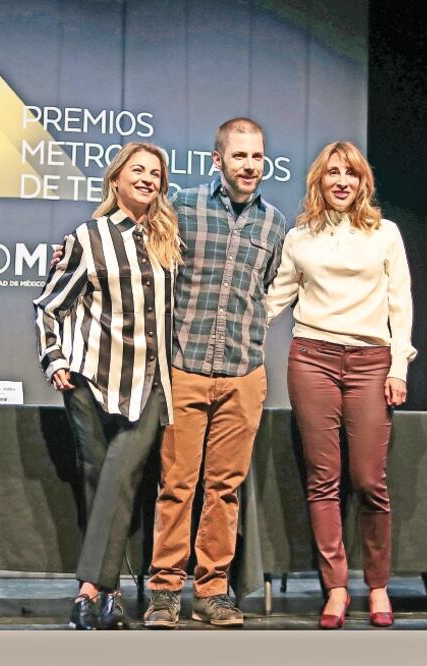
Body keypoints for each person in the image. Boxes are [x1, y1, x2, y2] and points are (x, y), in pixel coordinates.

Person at [143, 118, 288, 628]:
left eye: (257, 157)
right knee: (177, 484)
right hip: (183, 367)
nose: (250, 166)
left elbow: (269, 290)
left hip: (243, 373)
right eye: (240, 156)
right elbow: (132, 242)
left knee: (224, 489)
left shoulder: (274, 223)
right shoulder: (182, 205)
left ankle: (212, 591)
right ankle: (164, 592)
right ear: (217, 160)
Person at [265, 141, 415, 629]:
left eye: (350, 174)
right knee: (322, 481)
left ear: (362, 182)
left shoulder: (385, 234)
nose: (342, 182)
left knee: (371, 481)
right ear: (320, 181)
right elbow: (275, 300)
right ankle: (335, 588)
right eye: (333, 173)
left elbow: (401, 304)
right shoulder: (300, 237)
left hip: (371, 363)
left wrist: (398, 368)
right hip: (313, 359)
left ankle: (377, 586)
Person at [34, 142, 181, 630]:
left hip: (150, 384)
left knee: (118, 476)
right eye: (137, 170)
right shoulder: (88, 236)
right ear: (116, 180)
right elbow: (49, 305)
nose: (147, 179)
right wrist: (53, 357)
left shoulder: (169, 237)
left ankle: (88, 589)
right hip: (89, 380)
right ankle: (113, 593)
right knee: (100, 481)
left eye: (155, 173)